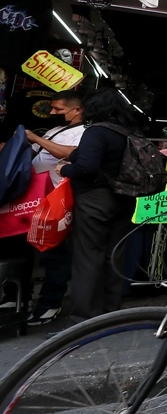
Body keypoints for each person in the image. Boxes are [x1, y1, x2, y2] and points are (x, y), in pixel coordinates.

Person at [58, 89, 134, 324]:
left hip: (95, 199)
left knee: (88, 256)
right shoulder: (127, 132)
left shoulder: (96, 131)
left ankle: (84, 319)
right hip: (124, 199)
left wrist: (64, 169)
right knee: (114, 254)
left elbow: (87, 168)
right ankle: (111, 312)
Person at [23, 90, 85, 326]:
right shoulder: (56, 130)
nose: (52, 113)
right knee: (28, 247)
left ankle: (50, 303)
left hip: (58, 200)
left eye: (58, 109)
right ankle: (18, 297)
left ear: (77, 110)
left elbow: (71, 155)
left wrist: (36, 139)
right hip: (36, 198)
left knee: (53, 253)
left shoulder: (84, 132)